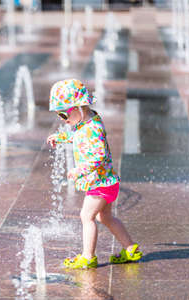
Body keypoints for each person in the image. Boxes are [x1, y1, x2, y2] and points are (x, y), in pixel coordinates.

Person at [46, 79, 142, 269]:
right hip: (106, 183)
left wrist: (79, 170)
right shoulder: (87, 121)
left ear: (78, 108)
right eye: (59, 115)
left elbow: (99, 156)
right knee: (104, 217)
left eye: (64, 113)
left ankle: (88, 257)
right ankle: (130, 249)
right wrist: (61, 137)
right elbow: (77, 135)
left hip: (101, 184)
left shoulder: (93, 128)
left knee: (86, 216)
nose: (63, 119)